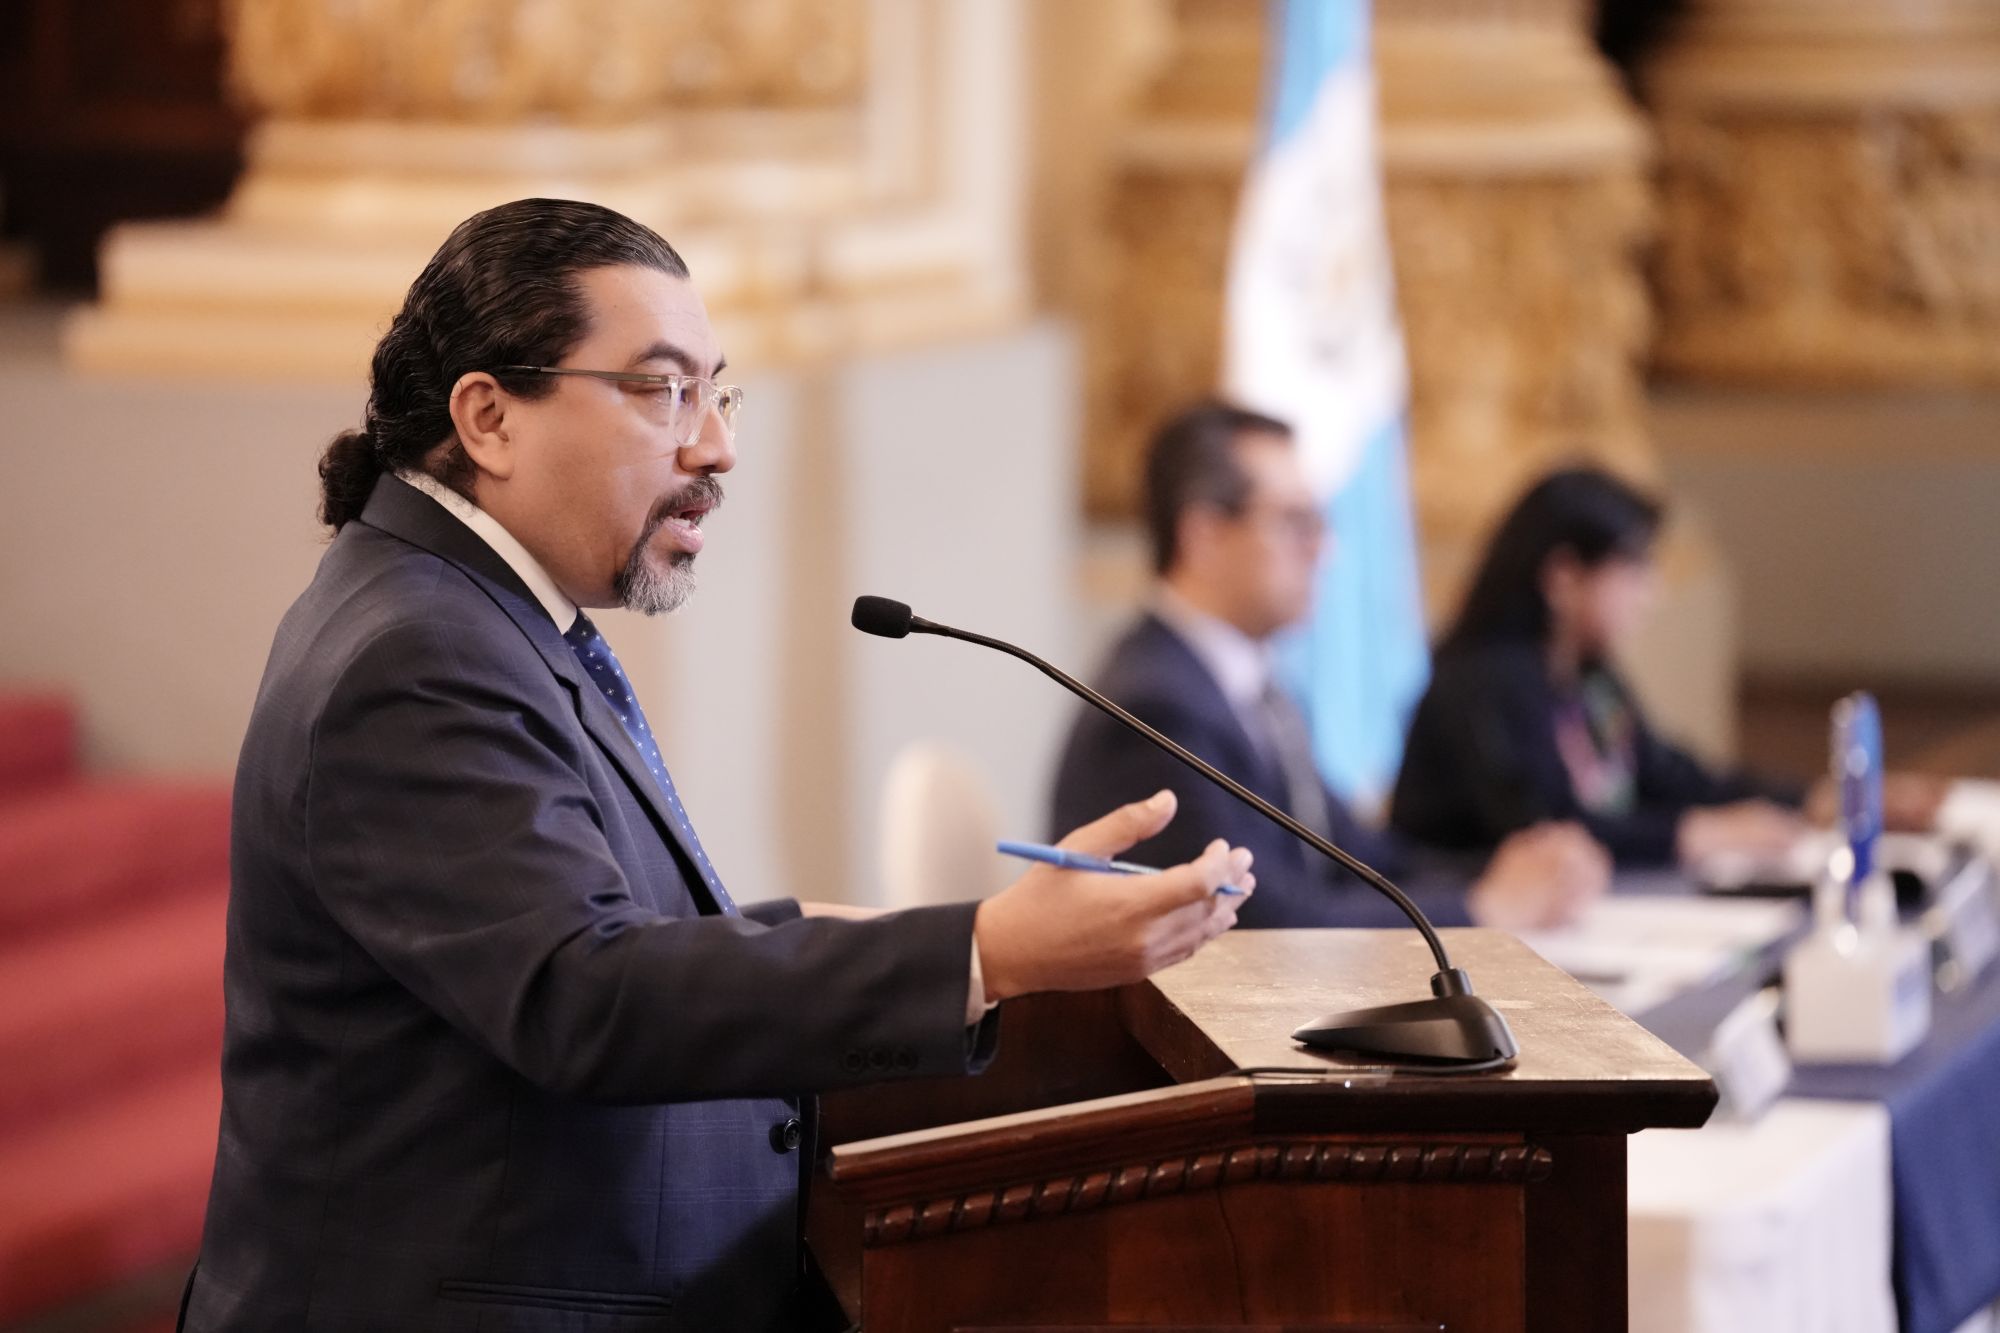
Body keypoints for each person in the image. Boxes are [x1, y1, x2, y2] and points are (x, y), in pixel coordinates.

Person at [182, 199, 1254, 1332]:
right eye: (662, 390)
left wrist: (966, 935)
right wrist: (987, 950)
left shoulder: (477, 613)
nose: (715, 446)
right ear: (489, 418)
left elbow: (614, 931)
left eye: (716, 392)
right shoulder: (418, 656)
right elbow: (584, 994)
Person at [1050, 401, 1607, 932]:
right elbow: (1251, 920)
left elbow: (1357, 859)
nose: (1323, 550)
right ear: (1205, 535)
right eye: (1296, 522)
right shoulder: (1155, 704)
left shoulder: (1255, 686)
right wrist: (1480, 906)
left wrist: (1510, 871)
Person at [1389, 466, 1945, 868]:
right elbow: (1543, 829)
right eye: (1633, 569)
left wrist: (1810, 800)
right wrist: (1693, 834)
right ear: (1563, 576)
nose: (1650, 593)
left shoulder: (1588, 675)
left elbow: (1673, 776)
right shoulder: (1488, 680)